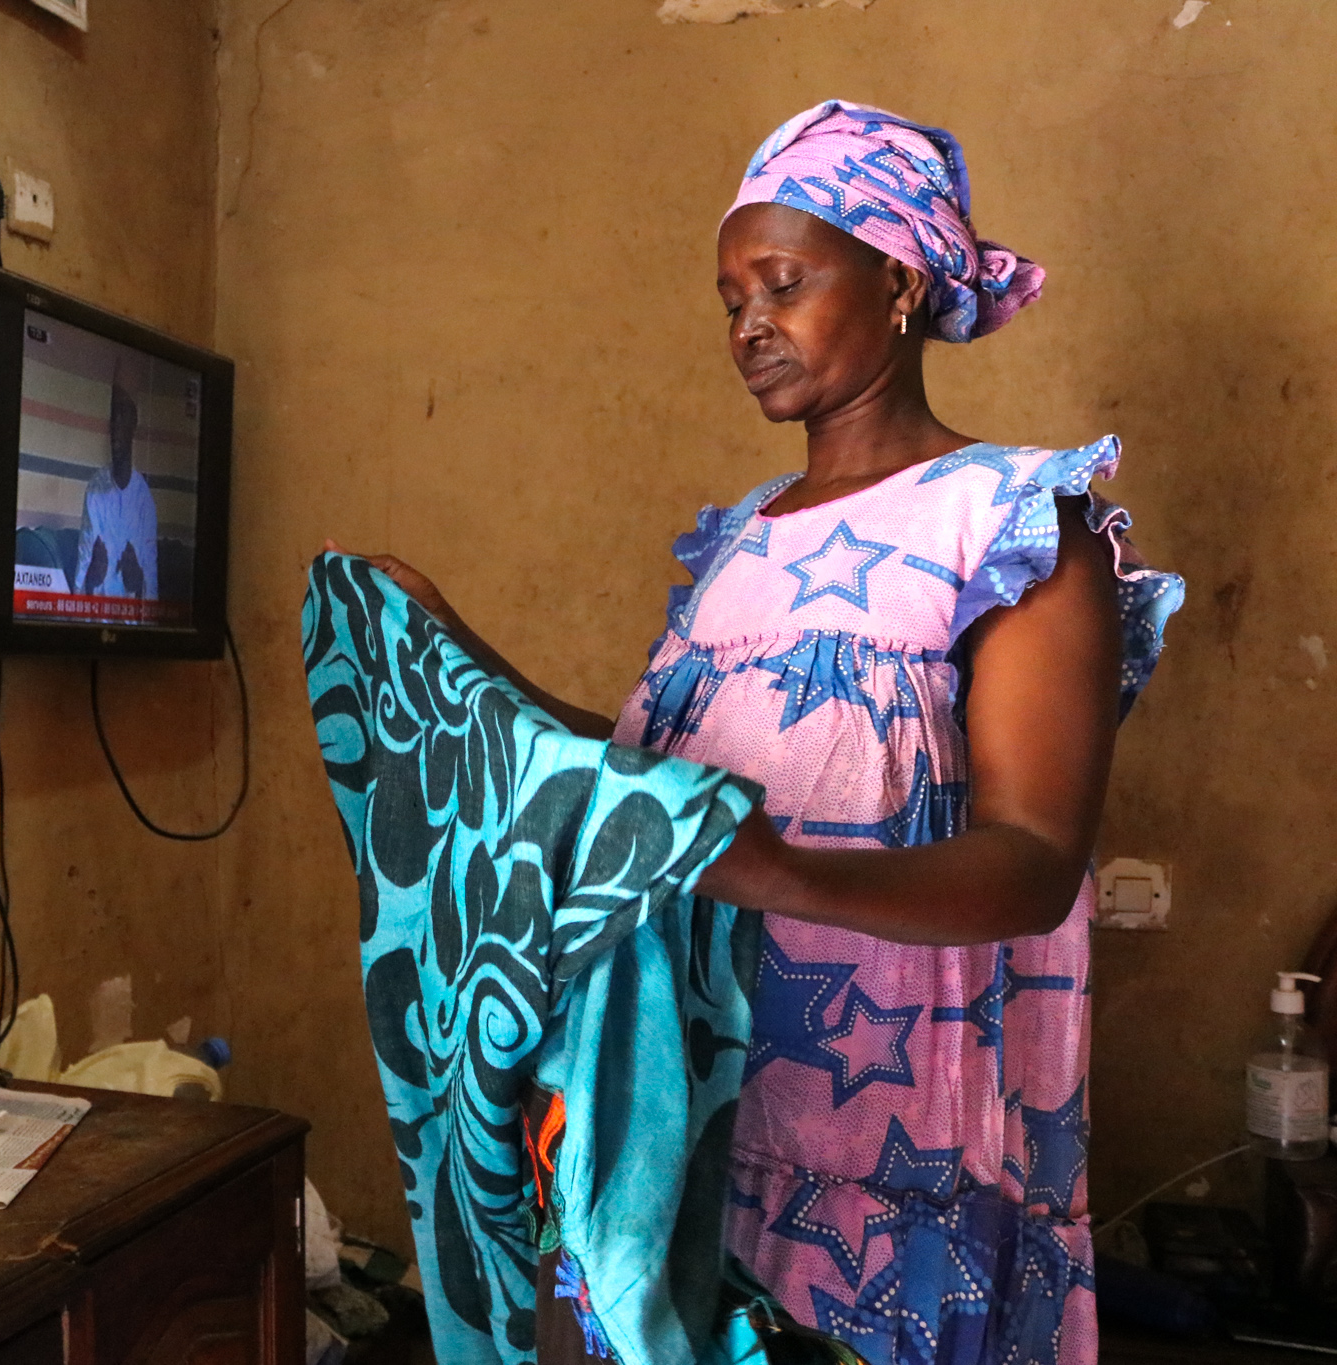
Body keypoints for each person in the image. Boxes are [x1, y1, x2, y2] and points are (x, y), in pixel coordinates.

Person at [340, 102, 1182, 1364]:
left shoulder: (1010, 526)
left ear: (897, 279)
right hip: (693, 1120)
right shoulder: (738, 542)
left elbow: (1031, 860)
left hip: (887, 1163)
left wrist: (780, 874)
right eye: (730, 296)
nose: (747, 325)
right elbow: (650, 777)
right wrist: (462, 660)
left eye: (783, 283)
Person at [75, 369, 159, 600]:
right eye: (113, 419)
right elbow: (80, 578)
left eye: (122, 417)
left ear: (134, 425)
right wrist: (92, 579)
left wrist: (138, 580)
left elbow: (152, 593)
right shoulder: (95, 488)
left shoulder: (144, 499)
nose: (115, 429)